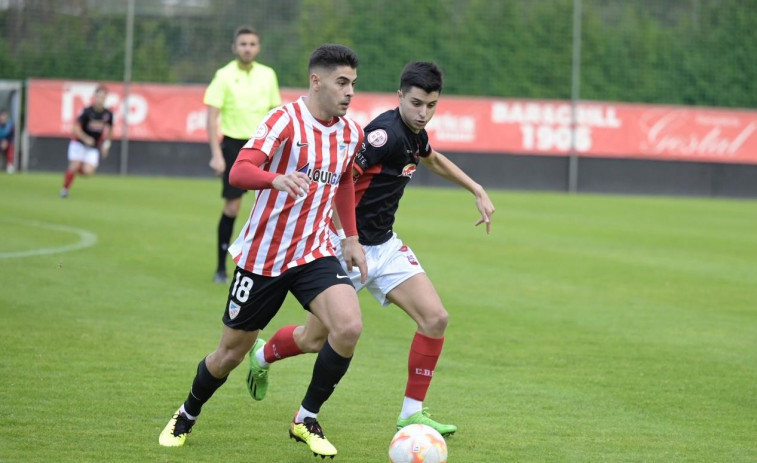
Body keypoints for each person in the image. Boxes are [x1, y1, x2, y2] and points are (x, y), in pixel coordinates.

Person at [244, 61, 495, 437]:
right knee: (314, 339)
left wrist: (476, 188)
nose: (423, 113)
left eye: (431, 105)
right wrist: (347, 237)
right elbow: (341, 182)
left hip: (385, 246)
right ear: (399, 97)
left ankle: (411, 414)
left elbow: (433, 158)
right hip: (347, 248)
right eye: (416, 104)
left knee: (435, 318)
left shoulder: (414, 134)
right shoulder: (383, 136)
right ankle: (262, 355)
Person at [159, 44, 366, 460]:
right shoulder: (284, 120)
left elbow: (344, 182)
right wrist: (275, 180)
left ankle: (305, 418)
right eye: (342, 83)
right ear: (316, 80)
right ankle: (187, 412)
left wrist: (350, 236)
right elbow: (239, 169)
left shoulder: (350, 132)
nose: (349, 93)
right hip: (264, 258)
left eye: (353, 85)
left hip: (314, 251)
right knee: (229, 354)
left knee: (348, 327)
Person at [204, 25, 281, 284]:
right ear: (234, 47)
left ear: (258, 48)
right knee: (232, 206)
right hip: (234, 146)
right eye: (243, 44)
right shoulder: (224, 75)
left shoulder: (268, 75)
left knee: (272, 206)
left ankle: (269, 265)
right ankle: (220, 267)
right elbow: (212, 115)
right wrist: (216, 153)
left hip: (264, 145)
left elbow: (276, 113)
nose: (247, 48)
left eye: (252, 44)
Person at [59, 85, 113, 198]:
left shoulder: (108, 114)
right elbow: (76, 128)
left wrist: (106, 145)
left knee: (88, 172)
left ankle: (71, 170)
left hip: (93, 147)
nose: (100, 99)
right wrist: (85, 138)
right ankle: (65, 189)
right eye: (99, 96)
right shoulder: (87, 111)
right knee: (75, 165)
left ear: (106, 98)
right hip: (79, 143)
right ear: (95, 97)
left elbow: (110, 130)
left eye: (103, 96)